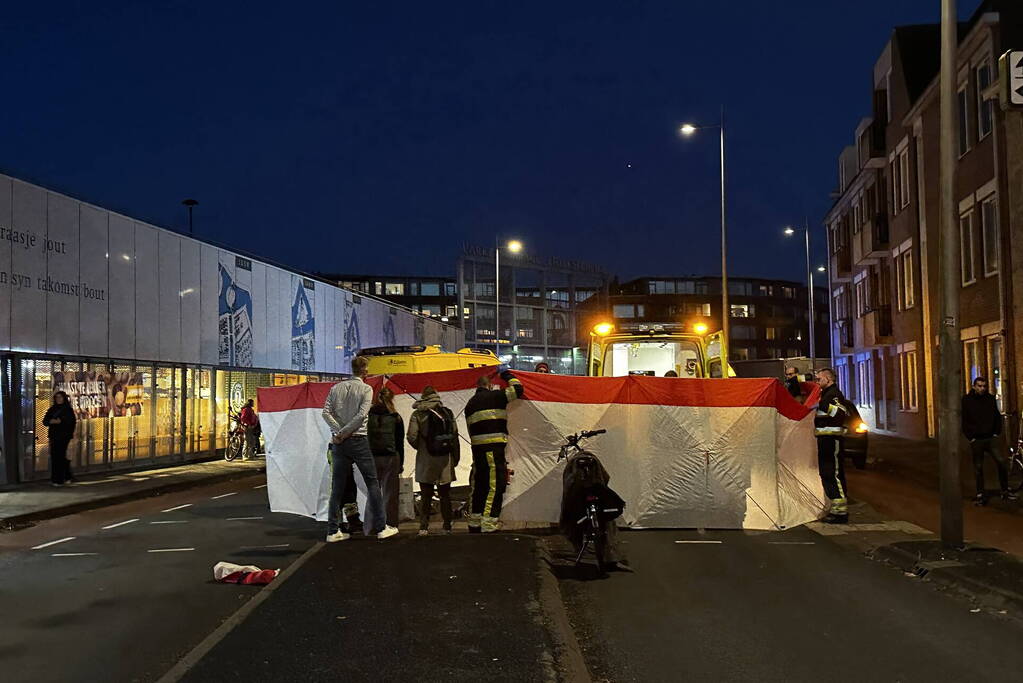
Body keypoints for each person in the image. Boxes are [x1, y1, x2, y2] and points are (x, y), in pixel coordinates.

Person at [322, 355, 399, 542]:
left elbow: (325, 413)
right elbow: (362, 415)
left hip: (339, 444)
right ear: (364, 370)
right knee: (372, 483)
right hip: (358, 440)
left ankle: (332, 531)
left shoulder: (336, 388)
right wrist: (346, 432)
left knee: (337, 488)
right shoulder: (366, 389)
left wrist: (339, 432)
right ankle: (381, 527)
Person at [464, 369, 524, 533]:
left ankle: (475, 522)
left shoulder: (470, 404)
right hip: (493, 449)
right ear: (489, 386)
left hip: (477, 450)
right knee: (495, 485)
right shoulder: (496, 396)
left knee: (480, 485)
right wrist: (507, 375)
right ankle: (489, 522)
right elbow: (518, 389)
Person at [407, 386, 459, 535]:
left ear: (423, 396)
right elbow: (454, 435)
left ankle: (424, 527)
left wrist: (422, 447)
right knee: (445, 494)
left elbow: (411, 436)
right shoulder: (447, 413)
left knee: (426, 495)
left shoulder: (418, 414)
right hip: (445, 460)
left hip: (426, 459)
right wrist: (455, 457)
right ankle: (447, 526)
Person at [962, 376, 1016, 505]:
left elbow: (997, 416)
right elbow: (964, 419)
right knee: (978, 467)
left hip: (990, 438)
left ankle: (1005, 490)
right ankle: (980, 493)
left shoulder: (990, 399)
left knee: (1001, 462)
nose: (982, 388)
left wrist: (996, 432)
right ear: (974, 386)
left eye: (984, 386)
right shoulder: (967, 400)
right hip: (977, 439)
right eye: (979, 386)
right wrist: (971, 437)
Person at [814, 368, 850, 524]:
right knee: (827, 474)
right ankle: (836, 510)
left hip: (832, 440)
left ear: (828, 379)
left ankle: (840, 513)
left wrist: (822, 404)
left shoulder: (833, 394)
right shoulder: (826, 394)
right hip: (825, 440)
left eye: (819, 379)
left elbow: (840, 413)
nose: (817, 382)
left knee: (833, 474)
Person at [368, 387, 404, 528]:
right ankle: (390, 525)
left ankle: (371, 526)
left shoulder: (368, 415)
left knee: (373, 492)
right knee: (390, 494)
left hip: (372, 457)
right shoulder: (396, 417)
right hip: (391, 457)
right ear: (392, 399)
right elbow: (399, 443)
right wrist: (401, 463)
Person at [42, 391, 77, 487]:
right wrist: (51, 421)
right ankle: (63, 477)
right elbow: (45, 421)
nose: (58, 399)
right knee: (56, 457)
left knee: (60, 457)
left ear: (64, 398)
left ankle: (59, 479)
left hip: (64, 437)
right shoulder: (52, 409)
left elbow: (71, 423)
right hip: (54, 436)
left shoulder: (68, 410)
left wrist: (61, 422)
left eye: (60, 397)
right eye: (57, 397)